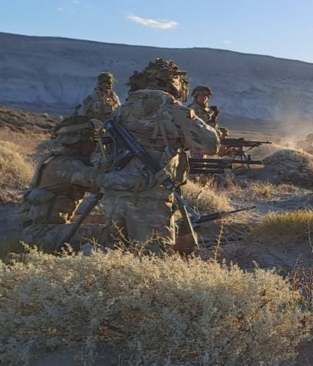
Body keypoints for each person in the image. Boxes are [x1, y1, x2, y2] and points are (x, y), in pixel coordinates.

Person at [100, 58, 220, 254]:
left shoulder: (122, 110)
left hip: (113, 196)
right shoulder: (174, 110)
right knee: (152, 263)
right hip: (151, 200)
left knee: (112, 261)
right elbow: (211, 144)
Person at [20, 115, 107, 252]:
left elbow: (98, 189)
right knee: (106, 234)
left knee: (105, 222)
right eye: (93, 141)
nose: (95, 145)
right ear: (80, 141)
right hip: (42, 233)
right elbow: (101, 182)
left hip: (49, 227)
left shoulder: (60, 160)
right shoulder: (65, 164)